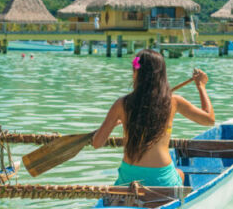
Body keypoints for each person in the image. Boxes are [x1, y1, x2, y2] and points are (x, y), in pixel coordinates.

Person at [91, 48, 214, 187]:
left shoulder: (121, 103)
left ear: (135, 73)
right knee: (180, 173)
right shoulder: (173, 101)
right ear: (161, 75)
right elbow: (209, 119)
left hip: (129, 178)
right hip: (161, 178)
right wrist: (201, 86)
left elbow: (97, 143)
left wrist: (113, 122)